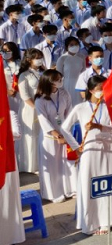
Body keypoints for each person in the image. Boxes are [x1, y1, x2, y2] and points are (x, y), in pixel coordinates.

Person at [63, 75, 112, 236]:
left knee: (107, 183)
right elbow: (64, 128)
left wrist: (100, 126)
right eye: (99, 89)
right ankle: (89, 222)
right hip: (90, 151)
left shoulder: (110, 106)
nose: (102, 92)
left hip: (108, 149)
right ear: (90, 90)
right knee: (89, 184)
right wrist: (76, 147)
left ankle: (107, 219)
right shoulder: (80, 108)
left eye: (105, 89)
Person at [34, 68, 76, 202]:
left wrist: (67, 131)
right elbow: (43, 121)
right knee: (52, 164)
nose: (60, 81)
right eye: (57, 80)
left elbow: (69, 113)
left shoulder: (64, 94)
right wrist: (57, 135)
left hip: (64, 132)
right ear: (49, 82)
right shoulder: (40, 100)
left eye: (60, 79)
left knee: (66, 162)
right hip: (50, 136)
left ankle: (69, 189)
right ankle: (53, 193)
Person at [0, 101, 25, 245]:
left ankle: (7, 239)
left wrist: (4, 134)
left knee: (6, 200)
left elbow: (17, 133)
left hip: (6, 161)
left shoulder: (10, 114)